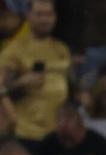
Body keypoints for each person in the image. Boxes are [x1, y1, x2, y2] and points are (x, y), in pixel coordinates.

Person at [0, 0, 70, 146]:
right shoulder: (14, 49)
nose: (45, 19)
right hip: (26, 133)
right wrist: (20, 83)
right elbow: (1, 89)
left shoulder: (62, 49)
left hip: (56, 133)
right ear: (28, 16)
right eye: (39, 14)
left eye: (49, 14)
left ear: (55, 17)